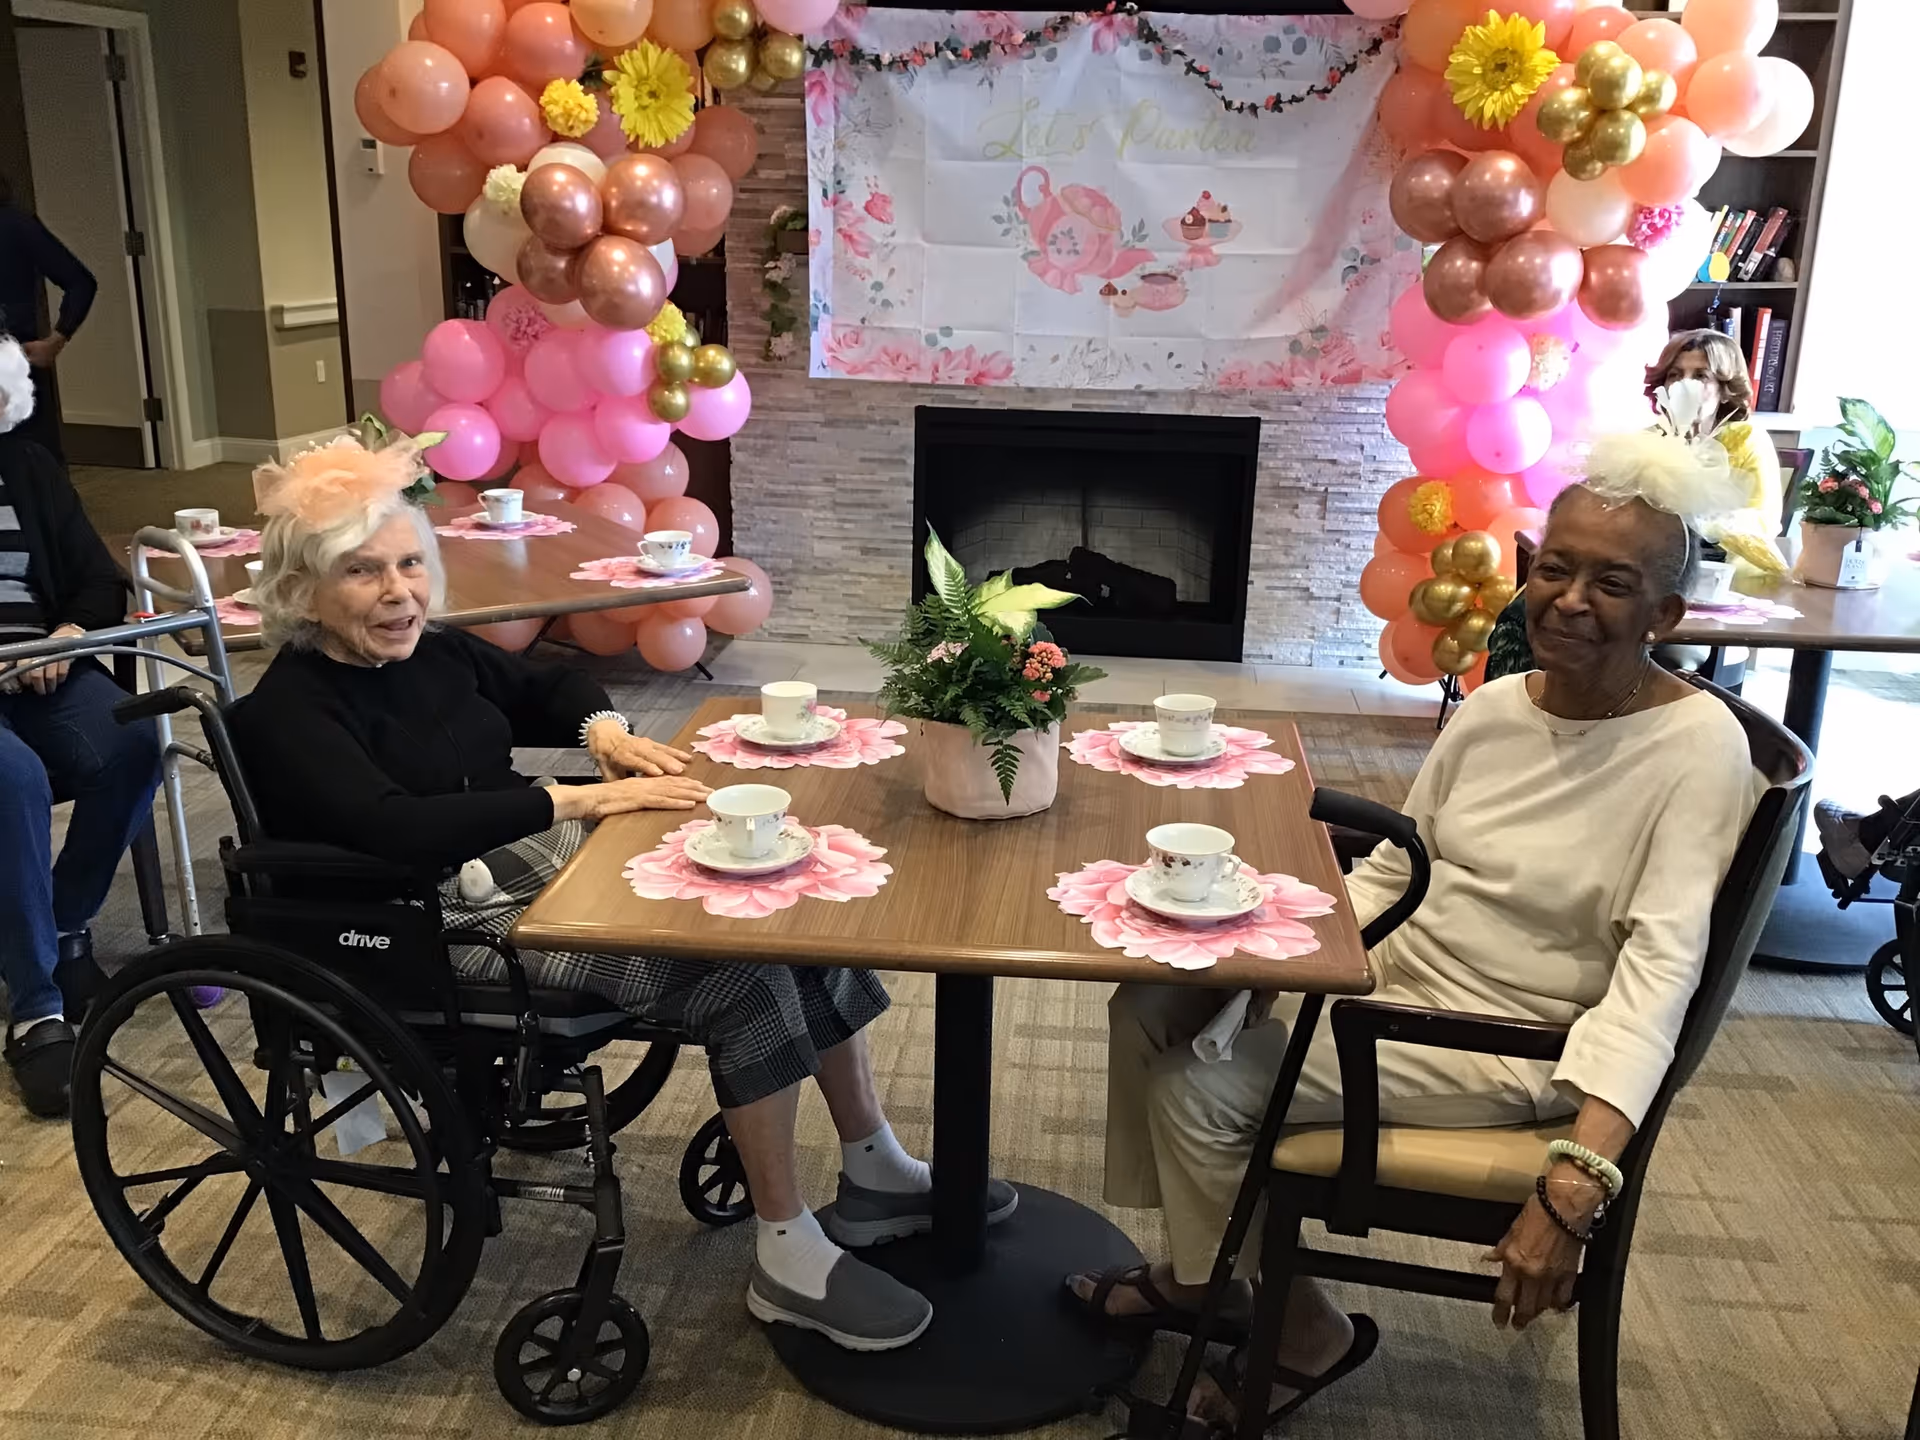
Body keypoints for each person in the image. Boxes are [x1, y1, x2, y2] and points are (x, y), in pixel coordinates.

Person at [231, 435, 1014, 1353]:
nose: (399, 591)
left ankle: (874, 1166)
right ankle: (786, 1254)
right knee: (741, 974)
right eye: (361, 573)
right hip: (429, 919)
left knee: (786, 899)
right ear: (301, 590)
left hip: (527, 861)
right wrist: (578, 796)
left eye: (410, 562)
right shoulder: (287, 710)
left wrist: (601, 731)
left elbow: (550, 680)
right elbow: (394, 828)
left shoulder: (427, 653)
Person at [1068, 432, 1763, 1431]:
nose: (1570, 599)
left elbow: (1663, 970)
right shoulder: (1493, 709)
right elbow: (1398, 867)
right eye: (1555, 568)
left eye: (1612, 583)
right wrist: (1288, 958)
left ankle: (1307, 1334)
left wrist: (1581, 1175)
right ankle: (1199, 1276)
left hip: (1505, 1041)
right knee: (1150, 1003)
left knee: (1198, 1090)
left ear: (1666, 614)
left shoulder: (1697, 749)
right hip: (1385, 984)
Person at [0, 336, 161, 1118]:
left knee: (138, 735)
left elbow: (102, 581)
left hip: (39, 671)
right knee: (15, 777)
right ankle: (35, 1008)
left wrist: (66, 633)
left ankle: (64, 929)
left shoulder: (26, 468)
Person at [0, 175, 98, 461]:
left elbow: (80, 282)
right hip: (15, 364)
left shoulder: (14, 225)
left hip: (14, 366)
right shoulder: (17, 224)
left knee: (33, 466)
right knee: (35, 470)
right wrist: (57, 340)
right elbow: (81, 282)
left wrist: (56, 340)